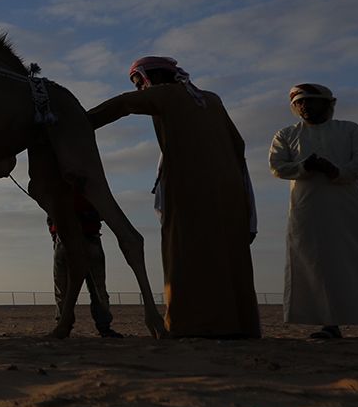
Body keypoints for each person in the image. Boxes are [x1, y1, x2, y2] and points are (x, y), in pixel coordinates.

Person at [88, 57, 261, 339]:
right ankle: (238, 325)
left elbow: (121, 104)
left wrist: (78, 123)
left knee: (185, 251)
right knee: (229, 255)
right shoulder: (212, 100)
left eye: (138, 83)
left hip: (188, 185)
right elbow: (238, 144)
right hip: (229, 189)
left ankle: (192, 325)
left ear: (151, 77)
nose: (139, 90)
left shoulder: (165, 95)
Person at [269, 83, 358, 341]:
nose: (305, 106)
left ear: (328, 104)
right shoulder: (285, 134)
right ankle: (329, 324)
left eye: (311, 101)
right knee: (318, 264)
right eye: (300, 102)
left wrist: (338, 172)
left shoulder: (349, 129)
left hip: (349, 205)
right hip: (308, 209)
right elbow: (277, 167)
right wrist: (304, 166)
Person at [48, 195, 121, 338]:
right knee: (64, 288)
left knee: (95, 288)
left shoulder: (89, 188)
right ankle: (65, 324)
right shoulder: (61, 189)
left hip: (86, 237)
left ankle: (101, 326)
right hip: (68, 239)